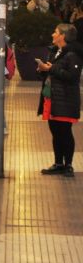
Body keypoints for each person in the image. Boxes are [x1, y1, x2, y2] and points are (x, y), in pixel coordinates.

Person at [38, 24, 83, 177]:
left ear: (62, 36)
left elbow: (72, 76)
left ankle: (68, 165)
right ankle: (58, 163)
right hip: (53, 97)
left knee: (64, 131)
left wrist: (51, 69)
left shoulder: (73, 54)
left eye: (55, 32)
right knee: (55, 131)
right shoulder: (55, 51)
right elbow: (52, 72)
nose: (52, 34)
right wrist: (43, 70)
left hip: (66, 99)